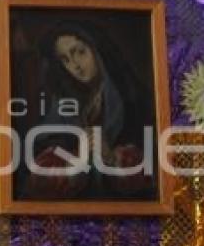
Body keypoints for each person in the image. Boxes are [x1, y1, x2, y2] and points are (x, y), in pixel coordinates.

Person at [15, 21, 154, 200]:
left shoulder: (133, 99)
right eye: (65, 59)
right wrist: (74, 163)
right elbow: (35, 171)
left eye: (80, 52)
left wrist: (112, 158)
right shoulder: (66, 104)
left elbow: (152, 174)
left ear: (98, 50)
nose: (75, 66)